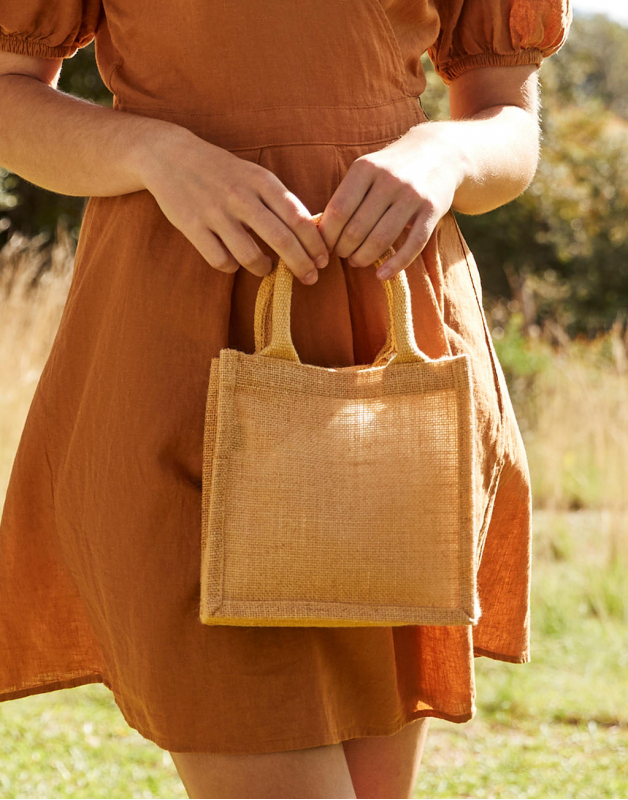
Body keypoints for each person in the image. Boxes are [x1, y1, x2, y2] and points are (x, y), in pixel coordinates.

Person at [0, 1, 572, 798]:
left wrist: (446, 152)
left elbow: (508, 119)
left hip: (388, 351)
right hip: (174, 351)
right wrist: (151, 152)